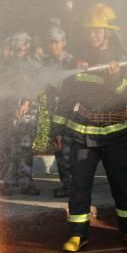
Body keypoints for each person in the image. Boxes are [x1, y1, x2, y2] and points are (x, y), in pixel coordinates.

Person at [55, 3, 127, 252]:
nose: (92, 35)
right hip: (83, 134)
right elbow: (66, 98)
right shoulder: (79, 60)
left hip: (115, 134)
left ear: (109, 33)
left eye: (97, 30)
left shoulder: (124, 60)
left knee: (121, 185)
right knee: (79, 187)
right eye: (89, 31)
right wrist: (57, 130)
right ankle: (77, 234)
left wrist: (115, 79)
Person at [0, 32, 41, 196]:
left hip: (27, 112)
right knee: (7, 146)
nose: (21, 47)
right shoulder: (7, 64)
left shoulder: (33, 64)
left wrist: (27, 102)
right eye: (18, 43)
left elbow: (36, 85)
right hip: (9, 110)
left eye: (23, 44)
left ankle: (25, 182)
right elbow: (2, 87)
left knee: (25, 147)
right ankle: (6, 182)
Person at [44, 27, 75, 197]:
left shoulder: (71, 62)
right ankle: (66, 184)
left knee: (68, 149)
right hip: (53, 114)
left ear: (64, 42)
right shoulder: (48, 63)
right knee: (58, 148)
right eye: (50, 42)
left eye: (56, 42)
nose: (53, 46)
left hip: (68, 115)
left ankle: (72, 186)